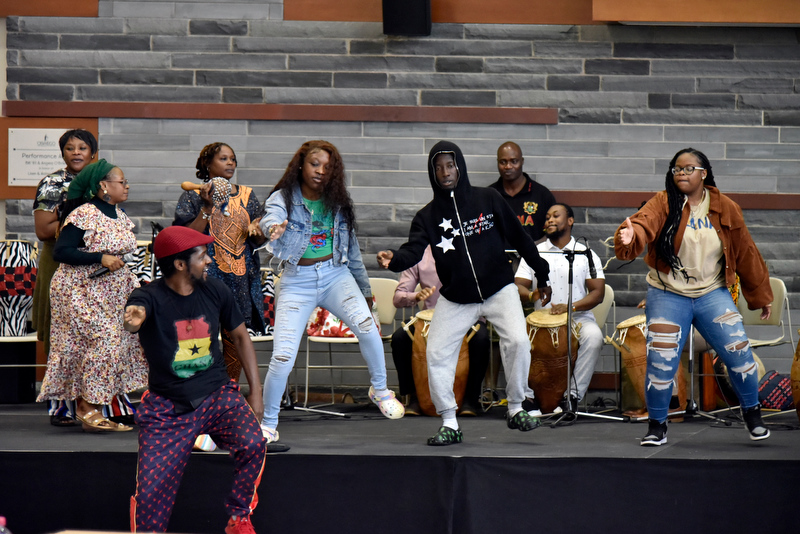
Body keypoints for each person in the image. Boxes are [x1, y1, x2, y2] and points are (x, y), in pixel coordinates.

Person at [377, 140, 552, 446]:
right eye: (439, 167)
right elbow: (412, 250)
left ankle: (515, 408)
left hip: (499, 290)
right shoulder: (428, 216)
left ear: (461, 166)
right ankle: (449, 421)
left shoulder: (488, 198)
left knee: (519, 342)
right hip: (457, 297)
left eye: (450, 165)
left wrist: (542, 272)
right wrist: (395, 260)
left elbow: (521, 238)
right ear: (432, 173)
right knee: (436, 353)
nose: (445, 172)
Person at [615, 148, 773, 446]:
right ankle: (657, 426)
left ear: (704, 173)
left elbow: (746, 252)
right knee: (661, 364)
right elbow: (643, 223)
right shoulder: (663, 202)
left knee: (739, 354)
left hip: (711, 293)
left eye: (689, 169)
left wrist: (760, 295)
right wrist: (630, 235)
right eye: (676, 169)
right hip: (667, 293)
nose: (681, 174)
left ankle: (752, 414)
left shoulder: (725, 207)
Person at [258, 140, 404, 443]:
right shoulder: (283, 198)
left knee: (368, 328)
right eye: (315, 164)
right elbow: (270, 219)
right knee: (283, 357)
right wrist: (273, 229)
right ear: (301, 164)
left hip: (335, 275)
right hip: (297, 280)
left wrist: (365, 294)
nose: (320, 171)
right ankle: (268, 424)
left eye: (328, 167)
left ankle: (380, 391)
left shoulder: (337, 202)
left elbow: (351, 253)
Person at [125, 225, 266, 534]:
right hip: (168, 409)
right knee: (150, 496)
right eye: (202, 256)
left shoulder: (216, 290)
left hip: (218, 396)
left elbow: (241, 337)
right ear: (179, 264)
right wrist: (135, 315)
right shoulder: (148, 296)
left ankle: (239, 517)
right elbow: (137, 309)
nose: (209, 261)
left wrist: (256, 392)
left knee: (254, 443)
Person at [36, 159, 147, 432]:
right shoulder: (83, 213)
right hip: (80, 291)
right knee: (104, 342)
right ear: (103, 186)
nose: (127, 185)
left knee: (117, 344)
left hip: (111, 291)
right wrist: (101, 257)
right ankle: (88, 408)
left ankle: (99, 407)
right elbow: (61, 251)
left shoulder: (119, 214)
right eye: (122, 181)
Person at [174, 142, 266, 383]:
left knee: (234, 336)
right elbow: (186, 240)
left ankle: (231, 388)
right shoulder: (192, 195)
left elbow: (257, 240)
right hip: (204, 278)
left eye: (233, 159)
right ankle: (199, 390)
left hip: (239, 275)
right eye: (224, 159)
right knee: (200, 335)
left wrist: (263, 231)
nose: (230, 163)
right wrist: (206, 207)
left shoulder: (247, 195)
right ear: (207, 164)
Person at [515, 203, 605, 417]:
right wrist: (530, 295)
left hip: (578, 317)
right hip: (540, 320)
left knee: (594, 337)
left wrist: (570, 307)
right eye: (547, 217)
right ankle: (527, 398)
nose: (550, 220)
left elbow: (598, 292)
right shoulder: (535, 252)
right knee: (514, 338)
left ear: (570, 221)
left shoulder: (585, 253)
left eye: (556, 215)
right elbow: (517, 284)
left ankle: (572, 398)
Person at [390, 245, 490, 416]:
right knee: (400, 338)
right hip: (430, 320)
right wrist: (416, 295)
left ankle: (470, 399)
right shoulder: (418, 253)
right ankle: (414, 397)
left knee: (480, 339)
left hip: (466, 317)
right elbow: (398, 297)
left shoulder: (469, 247)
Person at [489, 141, 556, 243]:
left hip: (534, 256)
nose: (508, 166)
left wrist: (532, 250)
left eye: (514, 161)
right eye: (503, 162)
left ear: (522, 161)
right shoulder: (489, 195)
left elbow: (554, 230)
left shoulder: (542, 195)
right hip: (498, 257)